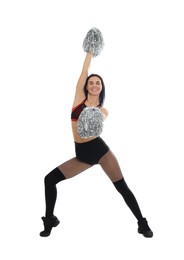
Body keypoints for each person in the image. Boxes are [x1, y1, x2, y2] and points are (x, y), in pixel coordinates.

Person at [40, 52, 153, 238]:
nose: (93, 85)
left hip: (100, 151)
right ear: (86, 86)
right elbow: (85, 70)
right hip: (82, 154)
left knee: (122, 187)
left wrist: (96, 116)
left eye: (97, 83)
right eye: (91, 82)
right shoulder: (78, 99)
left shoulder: (103, 110)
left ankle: (142, 223)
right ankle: (50, 219)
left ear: (102, 88)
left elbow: (100, 121)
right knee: (49, 180)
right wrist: (90, 52)